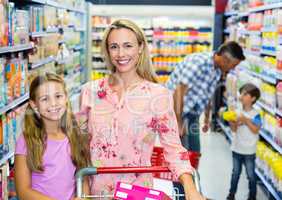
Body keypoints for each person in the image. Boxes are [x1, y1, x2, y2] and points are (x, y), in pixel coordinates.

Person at [78, 19, 205, 199]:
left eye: (128, 45)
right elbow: (80, 147)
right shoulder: (89, 92)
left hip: (137, 193)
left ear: (140, 47)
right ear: (107, 50)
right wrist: (82, 190)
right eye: (114, 46)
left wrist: (191, 189)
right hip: (97, 194)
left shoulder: (158, 95)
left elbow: (174, 150)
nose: (121, 53)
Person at [14, 73, 91, 200]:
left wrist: (83, 196)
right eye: (45, 99)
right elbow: (23, 191)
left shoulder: (75, 134)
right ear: (34, 105)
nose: (53, 103)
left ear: (66, 97)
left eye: (58, 96)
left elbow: (83, 177)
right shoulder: (27, 141)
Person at [166, 41, 245, 154]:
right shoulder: (198, 64)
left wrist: (207, 118)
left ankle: (191, 169)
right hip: (176, 111)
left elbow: (207, 93)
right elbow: (178, 93)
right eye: (233, 65)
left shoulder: (217, 69)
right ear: (225, 59)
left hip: (191, 112)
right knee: (181, 154)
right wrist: (177, 122)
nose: (232, 69)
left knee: (194, 152)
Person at [226, 83, 261, 200]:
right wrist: (232, 121)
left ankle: (252, 196)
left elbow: (256, 130)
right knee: (235, 174)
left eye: (245, 94)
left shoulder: (256, 114)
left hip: (250, 151)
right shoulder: (237, 111)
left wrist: (245, 120)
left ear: (253, 98)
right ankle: (231, 194)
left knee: (251, 176)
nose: (242, 95)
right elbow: (234, 129)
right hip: (237, 148)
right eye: (241, 93)